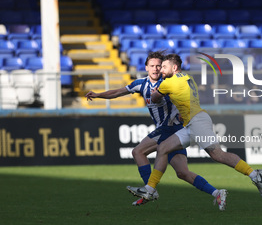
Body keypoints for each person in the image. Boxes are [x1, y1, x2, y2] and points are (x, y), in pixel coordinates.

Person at [85, 51, 228, 210]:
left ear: (162, 68)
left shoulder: (168, 82)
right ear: (146, 67)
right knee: (182, 173)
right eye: (152, 66)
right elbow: (118, 92)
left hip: (170, 128)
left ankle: (149, 190)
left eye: (158, 66)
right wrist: (98, 95)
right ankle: (217, 193)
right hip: (172, 132)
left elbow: (184, 95)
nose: (155, 68)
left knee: (138, 152)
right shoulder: (140, 84)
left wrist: (183, 113)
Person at [127, 54, 262, 206]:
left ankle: (254, 174)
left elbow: (154, 98)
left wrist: (155, 91)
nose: (161, 70)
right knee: (163, 148)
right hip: (190, 123)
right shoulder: (187, 77)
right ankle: (150, 188)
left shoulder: (169, 82)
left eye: (164, 67)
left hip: (197, 121)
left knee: (218, 155)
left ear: (174, 68)